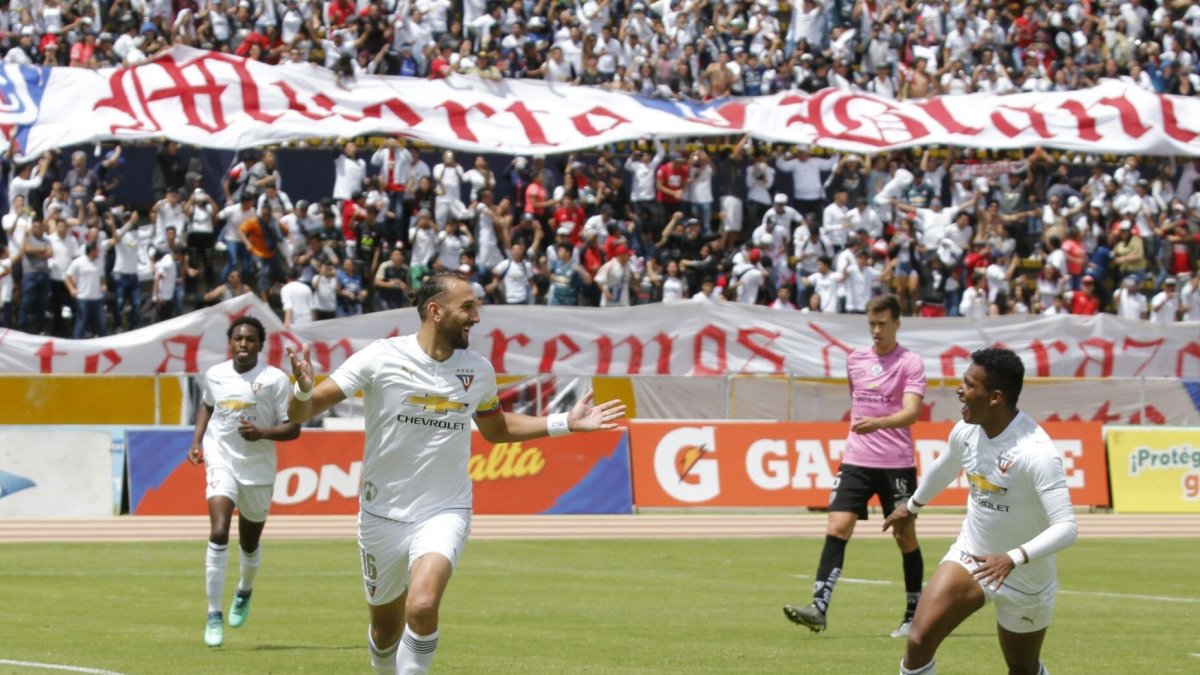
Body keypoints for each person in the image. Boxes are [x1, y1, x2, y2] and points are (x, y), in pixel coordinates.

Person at [284, 272, 625, 675]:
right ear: (435, 311)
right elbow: (301, 413)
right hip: (380, 515)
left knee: (423, 606)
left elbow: (496, 429)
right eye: (467, 307)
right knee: (384, 631)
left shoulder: (477, 370)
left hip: (444, 510)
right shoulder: (380, 356)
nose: (476, 317)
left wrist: (566, 421)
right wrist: (303, 390)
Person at [883, 347, 1078, 675]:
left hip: (1025, 575)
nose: (960, 390)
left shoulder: (1036, 452)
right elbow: (946, 467)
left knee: (1022, 667)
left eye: (970, 385)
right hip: (971, 556)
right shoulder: (966, 430)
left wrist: (1013, 557)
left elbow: (1067, 527)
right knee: (918, 641)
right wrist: (912, 506)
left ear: (995, 398)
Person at [785, 294, 927, 638]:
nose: (876, 331)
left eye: (882, 324)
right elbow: (857, 399)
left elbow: (911, 412)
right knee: (837, 527)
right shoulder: (855, 360)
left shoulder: (910, 362)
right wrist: (868, 428)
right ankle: (818, 608)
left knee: (904, 535)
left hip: (896, 463)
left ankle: (914, 616)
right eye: (871, 324)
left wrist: (877, 424)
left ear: (897, 323)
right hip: (856, 459)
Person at [187, 316, 301, 648]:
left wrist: (262, 433)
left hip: (258, 469)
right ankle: (212, 614)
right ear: (230, 342)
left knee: (249, 543)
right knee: (219, 531)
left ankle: (244, 591)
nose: (243, 344)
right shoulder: (215, 375)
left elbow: (293, 428)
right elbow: (206, 406)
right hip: (221, 459)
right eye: (238, 338)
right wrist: (197, 441)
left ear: (260, 345)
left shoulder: (275, 380)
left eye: (250, 339)